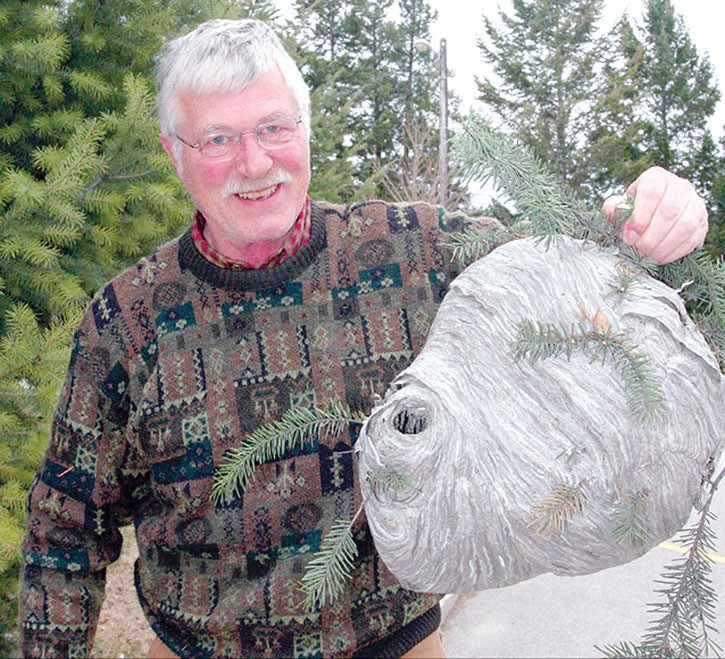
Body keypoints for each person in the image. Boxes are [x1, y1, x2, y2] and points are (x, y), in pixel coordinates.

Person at [18, 18, 708, 659]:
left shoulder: (412, 250)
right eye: (218, 139)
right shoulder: (126, 321)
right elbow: (64, 529)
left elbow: (564, 270)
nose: (254, 163)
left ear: (305, 129)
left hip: (396, 643)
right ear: (174, 153)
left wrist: (649, 214)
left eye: (274, 127)